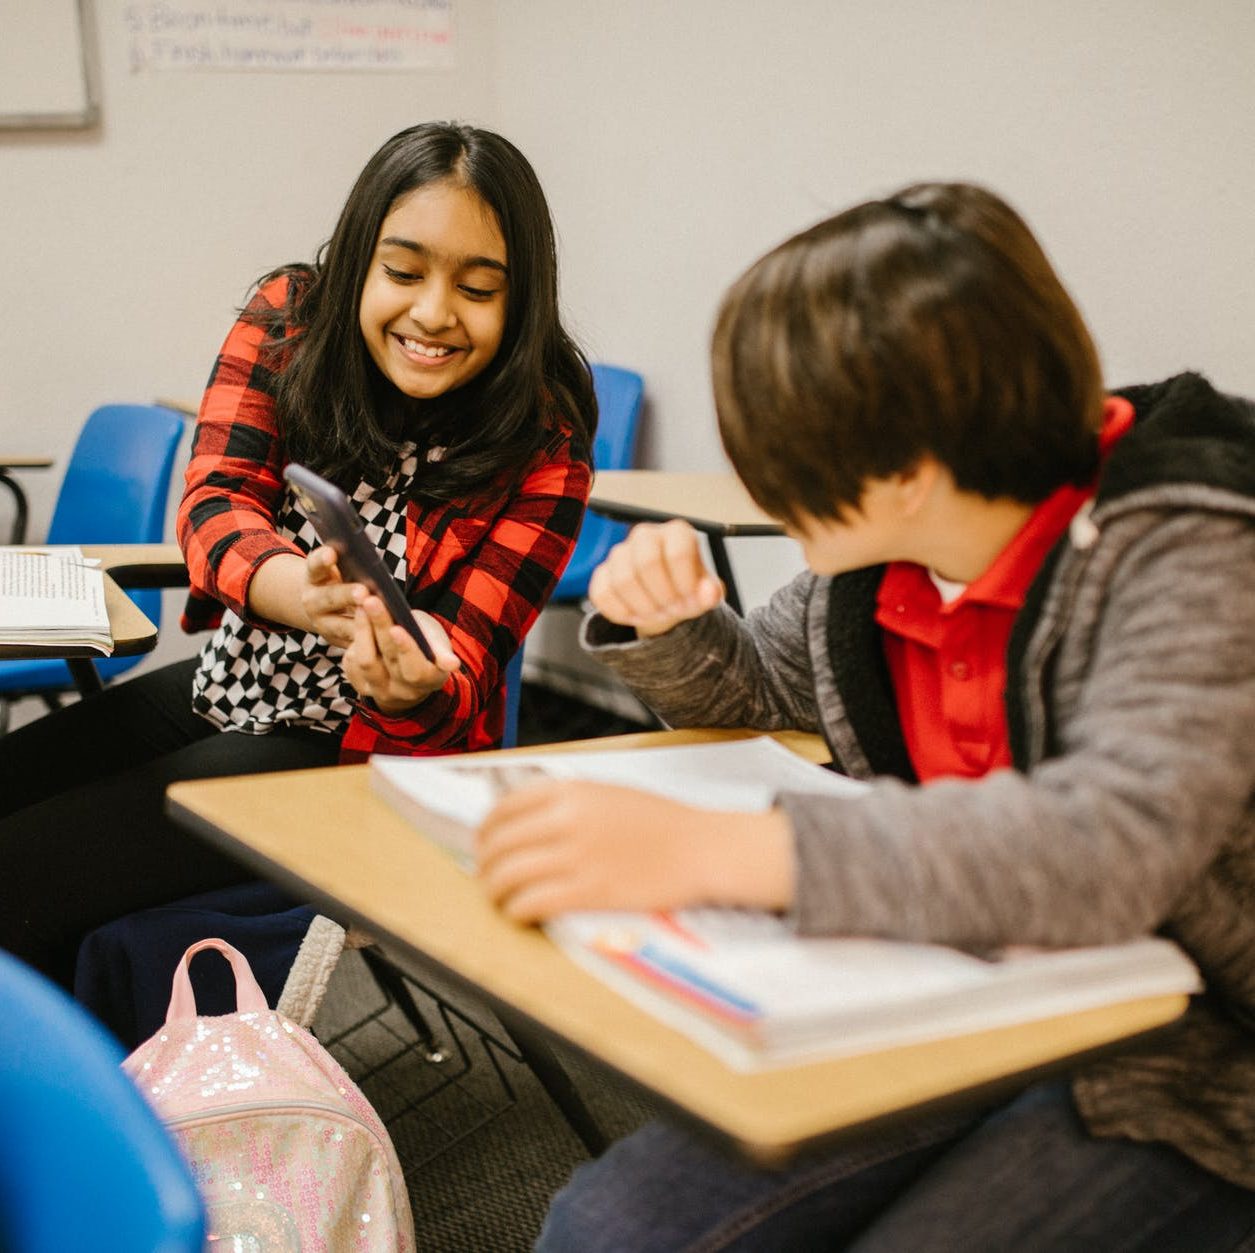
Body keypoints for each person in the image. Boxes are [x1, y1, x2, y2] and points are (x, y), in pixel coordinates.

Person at [474, 183, 1255, 1249]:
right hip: (963, 988)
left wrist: (720, 850)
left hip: (1197, 1052)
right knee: (609, 1228)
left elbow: (1111, 842)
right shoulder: (888, 560)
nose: (754, 479)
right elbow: (759, 689)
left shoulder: (1190, 546)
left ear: (902, 473)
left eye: (778, 451)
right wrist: (670, 628)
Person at [0, 121, 595, 991]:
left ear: (523, 299)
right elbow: (213, 502)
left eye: (478, 289)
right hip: (232, 682)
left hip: (361, 755)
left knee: (24, 874)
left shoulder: (546, 432)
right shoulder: (289, 320)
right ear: (359, 258)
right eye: (402, 272)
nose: (432, 313)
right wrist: (295, 592)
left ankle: (59, 1104)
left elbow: (472, 651)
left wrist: (417, 676)